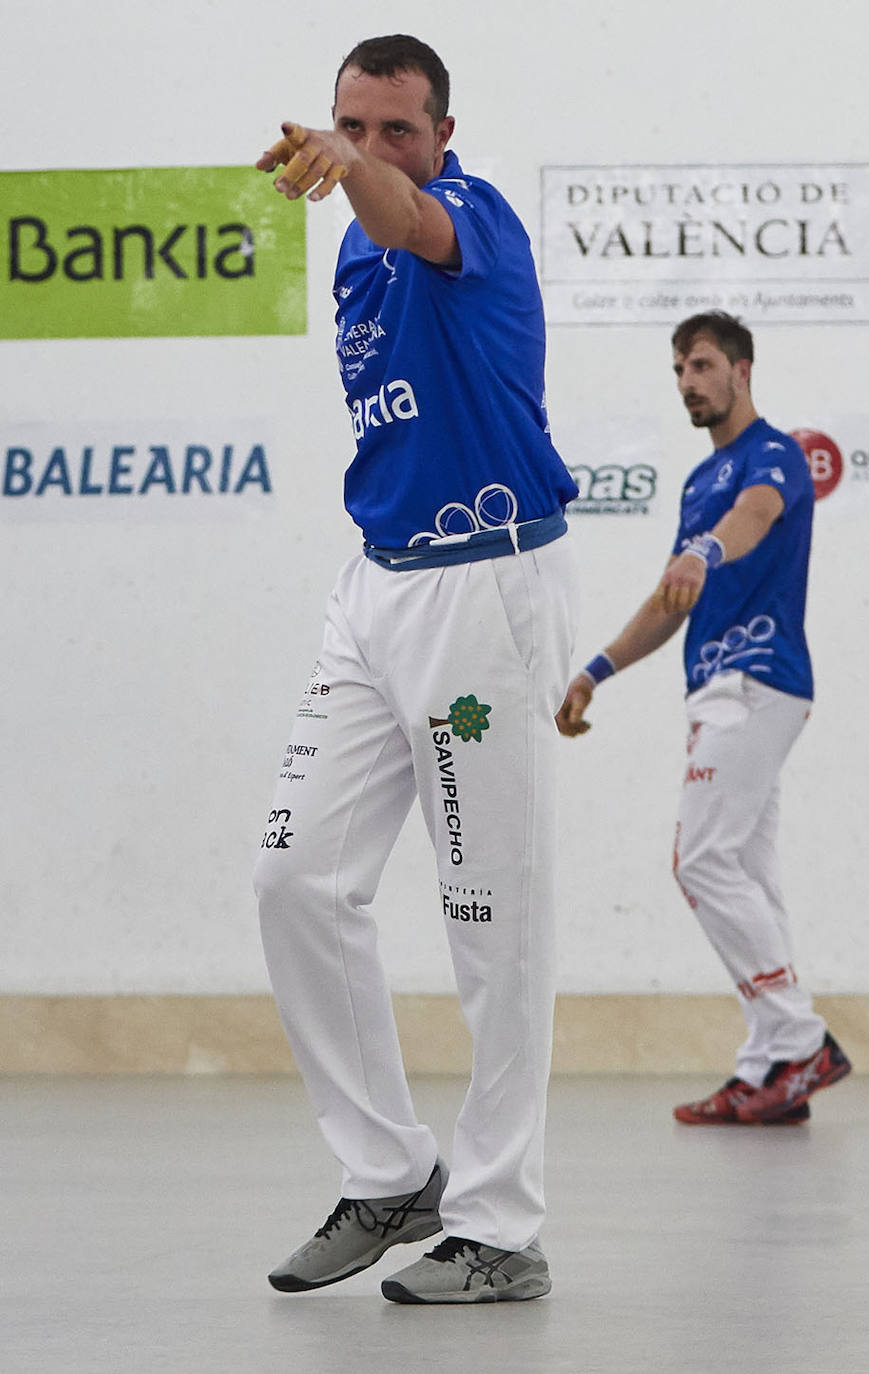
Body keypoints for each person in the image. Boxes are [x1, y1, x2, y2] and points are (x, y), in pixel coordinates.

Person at [253, 34, 579, 1303]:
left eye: (396, 129)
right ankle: (390, 1174)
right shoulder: (350, 252)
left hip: (484, 587)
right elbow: (371, 218)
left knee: (490, 919)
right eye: (350, 124)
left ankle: (502, 1228)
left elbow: (408, 218)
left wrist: (351, 168)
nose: (370, 148)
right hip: (373, 585)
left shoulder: (470, 217)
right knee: (294, 876)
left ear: (440, 136)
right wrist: (348, 177)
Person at [556, 311, 851, 1127]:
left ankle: (801, 1039)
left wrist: (705, 551)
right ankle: (769, 1067)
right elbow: (670, 600)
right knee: (748, 877)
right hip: (715, 690)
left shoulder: (774, 456)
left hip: (758, 682)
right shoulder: (695, 485)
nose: (688, 381)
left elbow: (752, 519)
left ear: (741, 370)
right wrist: (596, 669)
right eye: (679, 370)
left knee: (700, 861)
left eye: (701, 365)